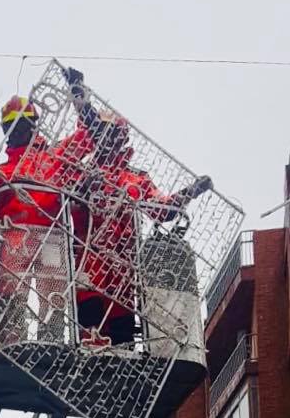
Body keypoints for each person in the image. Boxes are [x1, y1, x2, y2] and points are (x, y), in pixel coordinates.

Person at [73, 113, 212, 351]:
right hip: (89, 266)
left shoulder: (136, 178)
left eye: (110, 134)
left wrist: (190, 192)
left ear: (121, 138)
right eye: (100, 133)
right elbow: (69, 205)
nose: (105, 139)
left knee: (122, 344)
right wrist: (84, 190)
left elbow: (161, 210)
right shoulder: (82, 173)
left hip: (124, 275)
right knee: (88, 340)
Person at [0, 75, 100, 345]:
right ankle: (13, 342)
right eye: (12, 126)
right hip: (17, 236)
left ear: (33, 125)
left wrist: (79, 96)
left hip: (51, 236)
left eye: (22, 124)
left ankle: (52, 342)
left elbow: (89, 136)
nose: (18, 131)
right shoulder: (2, 170)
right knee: (12, 291)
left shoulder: (55, 156)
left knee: (54, 295)